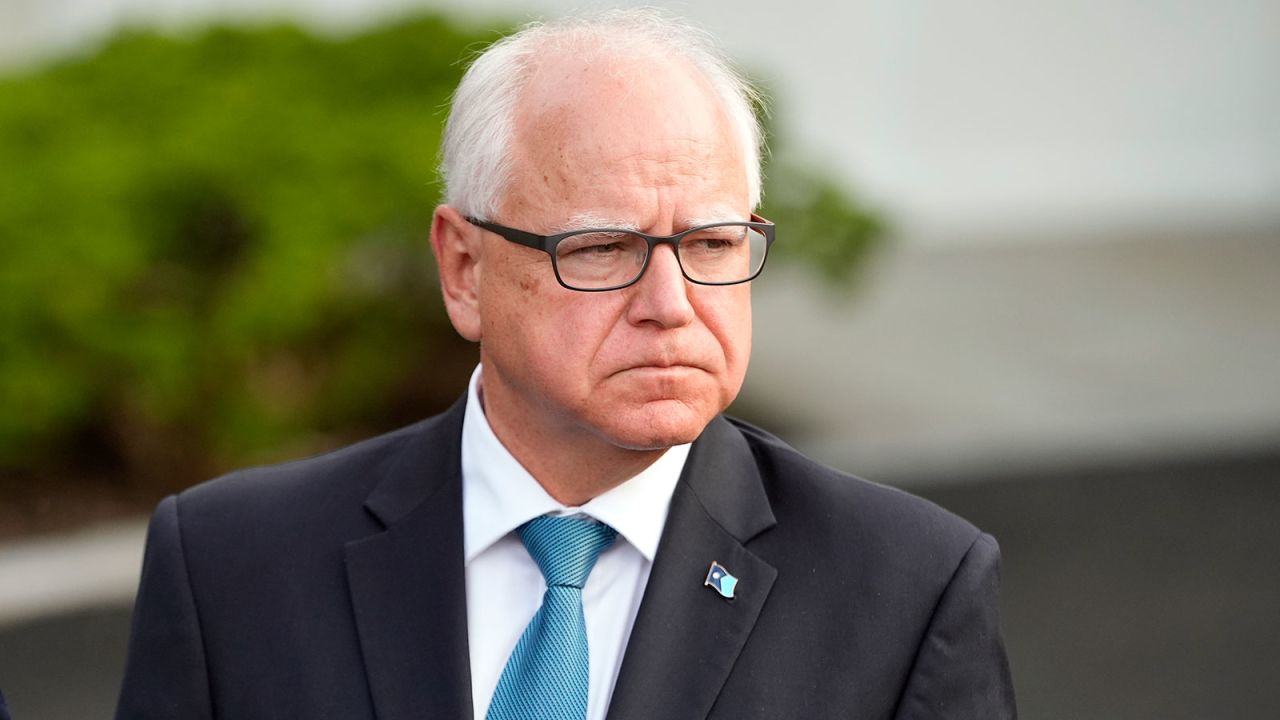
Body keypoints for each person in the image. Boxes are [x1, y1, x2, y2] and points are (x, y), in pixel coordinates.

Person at [115, 9, 1014, 720]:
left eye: (710, 241)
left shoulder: (906, 588)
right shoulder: (233, 568)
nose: (671, 301)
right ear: (464, 270)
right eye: (601, 248)